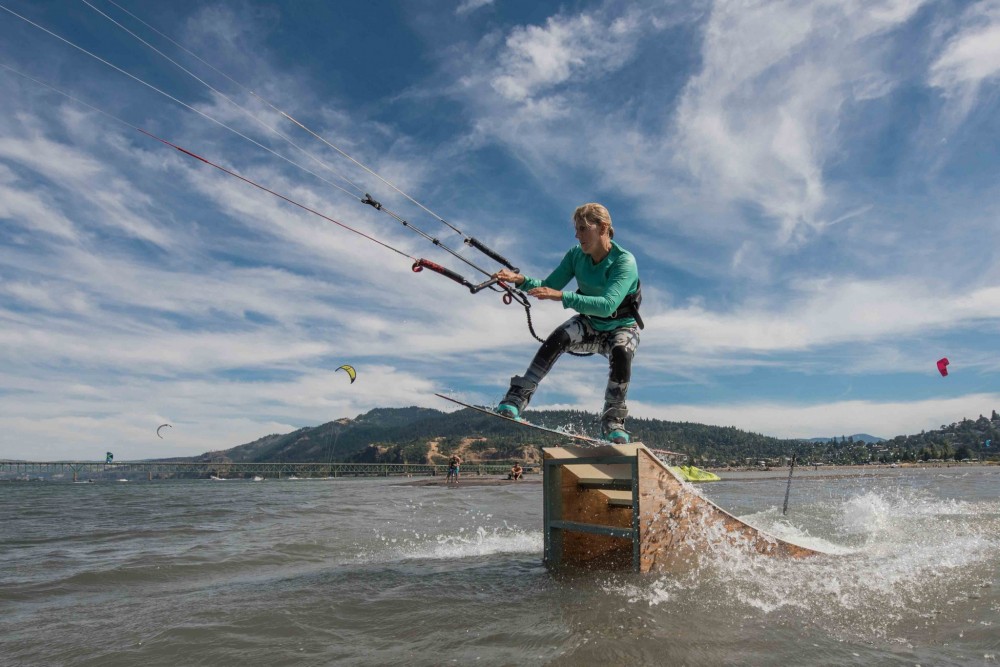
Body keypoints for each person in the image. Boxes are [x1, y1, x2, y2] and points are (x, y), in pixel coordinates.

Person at [493, 203, 642, 444]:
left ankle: (613, 421)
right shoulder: (576, 255)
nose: (577, 235)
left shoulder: (624, 261)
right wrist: (518, 280)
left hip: (622, 327)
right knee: (559, 337)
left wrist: (562, 297)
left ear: (603, 227)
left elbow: (607, 305)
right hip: (590, 325)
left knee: (622, 353)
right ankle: (516, 399)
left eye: (583, 228)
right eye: (576, 229)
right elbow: (549, 284)